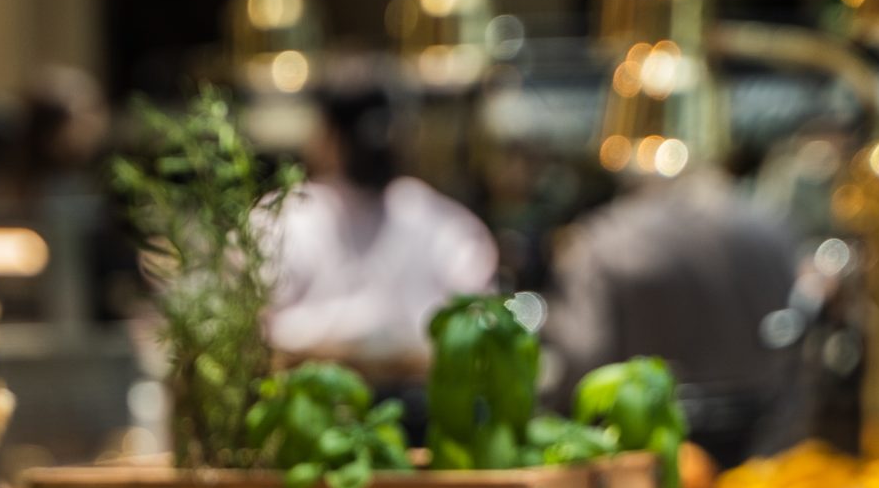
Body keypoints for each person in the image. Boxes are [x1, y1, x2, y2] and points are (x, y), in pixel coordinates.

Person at [541, 164, 800, 464]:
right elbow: (797, 334)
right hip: (759, 437)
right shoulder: (771, 227)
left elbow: (584, 354)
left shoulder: (606, 238)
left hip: (648, 444)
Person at [266, 80, 497, 370]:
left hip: (412, 392)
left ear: (323, 139)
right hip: (311, 389)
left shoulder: (440, 223)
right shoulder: (293, 218)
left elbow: (481, 323)